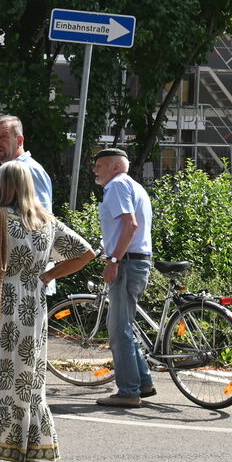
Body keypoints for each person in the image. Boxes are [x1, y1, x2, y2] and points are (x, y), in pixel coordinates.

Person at [0, 161, 95, 462]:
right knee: (28, 382)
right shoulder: (45, 220)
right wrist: (49, 273)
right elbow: (86, 252)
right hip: (33, 311)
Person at [92, 147, 155, 408]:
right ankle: (142, 382)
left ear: (115, 167)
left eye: (99, 165)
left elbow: (130, 225)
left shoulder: (116, 186)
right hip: (136, 262)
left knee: (118, 329)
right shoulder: (134, 186)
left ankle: (128, 391)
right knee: (124, 326)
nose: (95, 170)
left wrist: (114, 260)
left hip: (127, 263)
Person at [0, 115, 52, 210]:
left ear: (19, 141)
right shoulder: (3, 172)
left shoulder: (29, 170)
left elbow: (43, 218)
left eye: (3, 137)